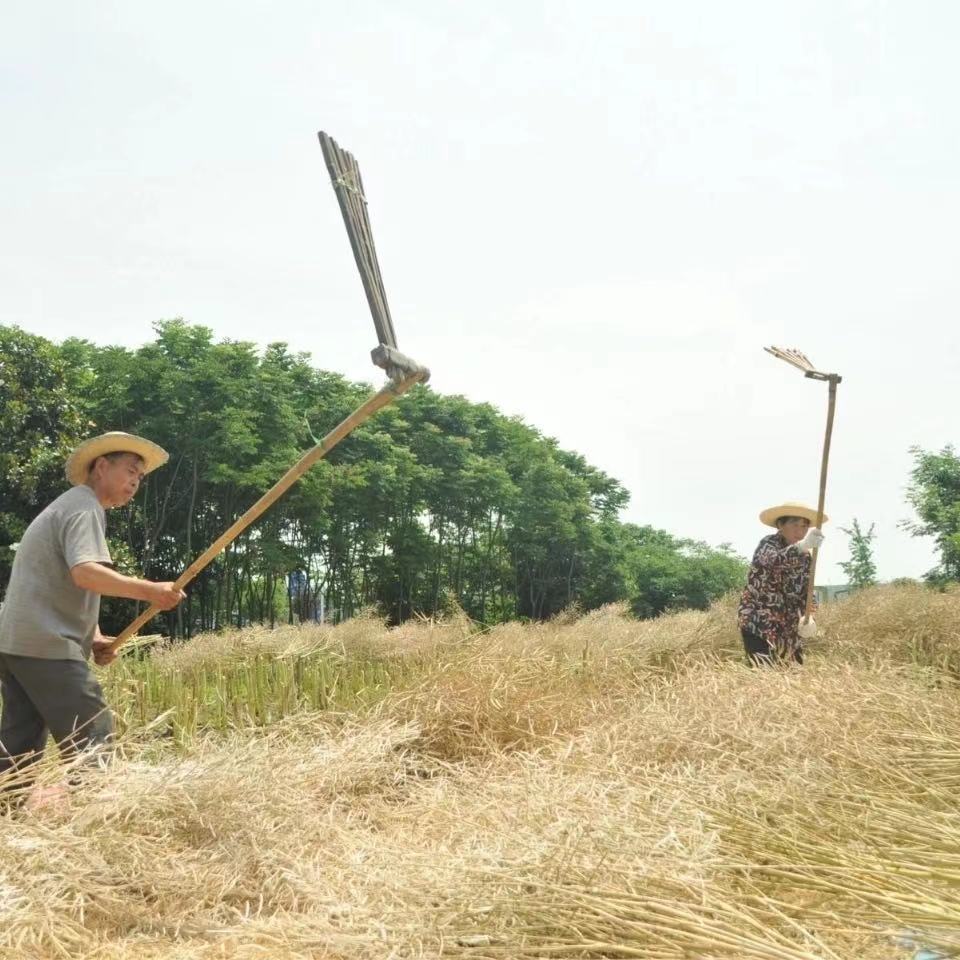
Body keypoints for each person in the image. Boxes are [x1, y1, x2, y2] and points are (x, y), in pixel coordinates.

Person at [0, 432, 186, 801]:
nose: (135, 480)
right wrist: (151, 591)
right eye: (130, 470)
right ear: (101, 467)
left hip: (17, 643)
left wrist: (95, 635)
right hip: (46, 643)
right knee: (91, 728)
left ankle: (7, 816)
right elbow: (85, 573)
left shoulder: (71, 507)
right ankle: (93, 814)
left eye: (140, 476)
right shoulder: (84, 509)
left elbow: (70, 584)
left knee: (20, 741)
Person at [738, 501, 827, 666]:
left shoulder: (806, 558)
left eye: (804, 527)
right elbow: (774, 561)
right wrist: (802, 546)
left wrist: (809, 617)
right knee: (763, 674)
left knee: (794, 677)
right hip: (759, 622)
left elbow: (806, 591)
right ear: (780, 525)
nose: (800, 531)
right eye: (795, 525)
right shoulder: (768, 545)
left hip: (788, 627)